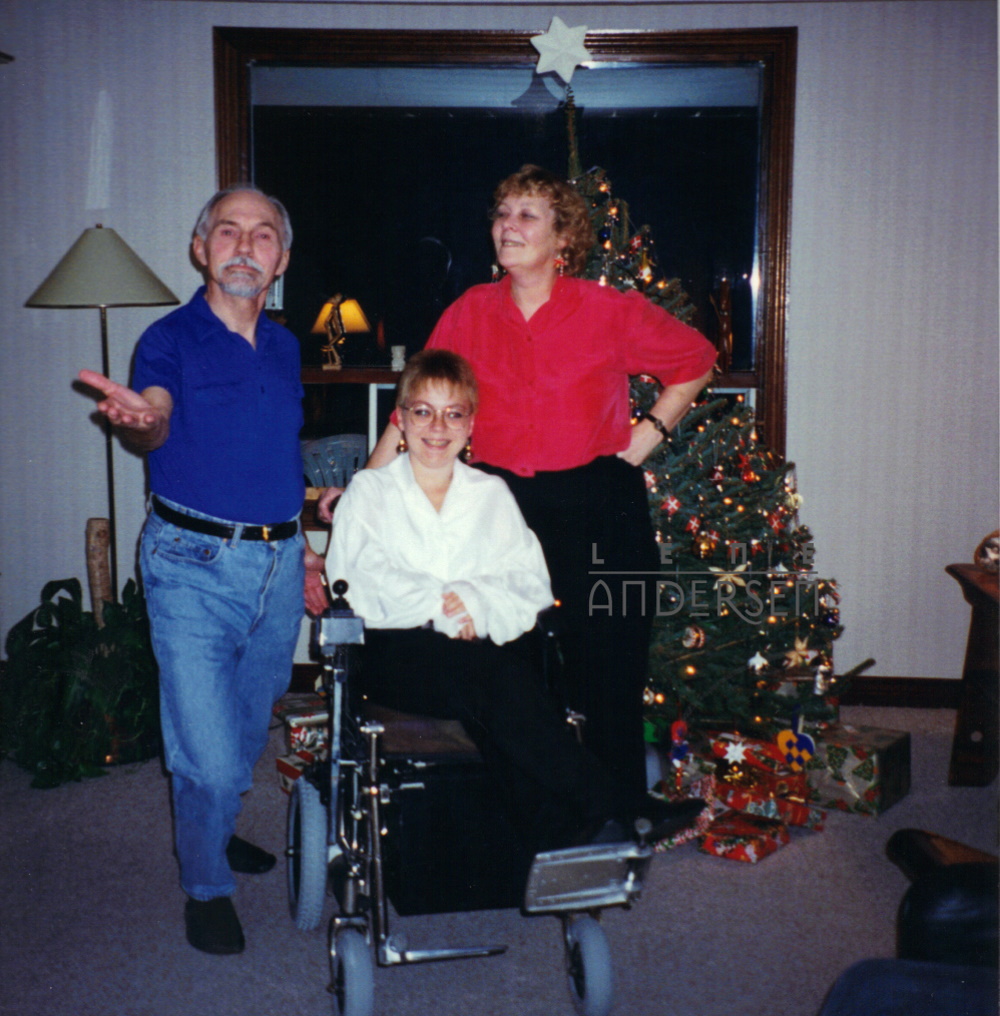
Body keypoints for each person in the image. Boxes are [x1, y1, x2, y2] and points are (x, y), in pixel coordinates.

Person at [356, 165, 717, 826]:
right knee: (509, 657)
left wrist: (641, 441)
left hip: (600, 505)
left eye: (527, 215)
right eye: (502, 214)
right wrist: (370, 490)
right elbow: (412, 408)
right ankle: (543, 810)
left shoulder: (609, 311)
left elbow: (696, 359)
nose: (508, 227)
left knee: (610, 660)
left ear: (563, 239)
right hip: (498, 507)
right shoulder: (469, 311)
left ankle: (627, 808)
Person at [78, 185, 327, 956]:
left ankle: (211, 836)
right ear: (201, 248)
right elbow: (153, 416)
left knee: (250, 728)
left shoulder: (285, 346)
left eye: (262, 236)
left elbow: (275, 454)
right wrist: (146, 421)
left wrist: (306, 540)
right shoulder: (167, 340)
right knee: (209, 757)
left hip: (279, 563)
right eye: (229, 232)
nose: (245, 246)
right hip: (192, 563)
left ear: (281, 259)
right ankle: (205, 883)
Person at [326, 349, 703, 852]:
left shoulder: (490, 494)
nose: (437, 427)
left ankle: (556, 833)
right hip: (394, 651)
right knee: (494, 676)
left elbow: (529, 581)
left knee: (513, 673)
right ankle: (616, 805)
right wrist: (440, 607)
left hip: (478, 645)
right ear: (400, 418)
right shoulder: (368, 493)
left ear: (471, 424)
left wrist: (474, 603)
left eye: (453, 413)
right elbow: (355, 577)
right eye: (422, 411)